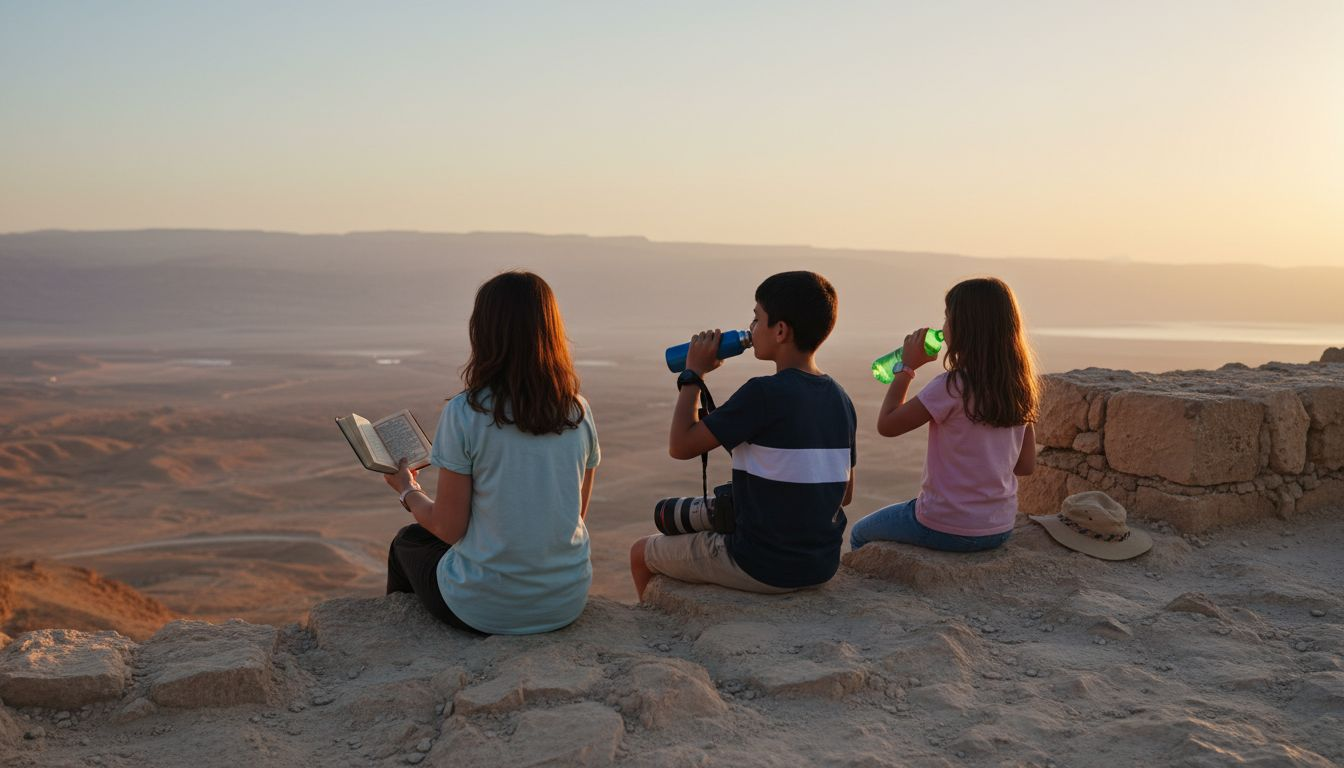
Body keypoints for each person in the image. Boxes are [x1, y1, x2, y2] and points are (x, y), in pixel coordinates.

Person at [381, 271, 600, 634]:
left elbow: (450, 530)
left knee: (408, 542)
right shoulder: (578, 410)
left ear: (483, 332)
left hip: (486, 608)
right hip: (565, 600)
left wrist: (407, 490)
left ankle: (396, 641)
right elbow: (572, 513)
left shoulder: (466, 412)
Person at [629, 271, 856, 600]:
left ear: (780, 331)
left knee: (641, 553)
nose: (750, 329)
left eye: (756, 318)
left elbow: (680, 445)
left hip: (760, 563)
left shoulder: (762, 393)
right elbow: (844, 494)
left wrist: (693, 373)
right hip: (821, 564)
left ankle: (647, 628)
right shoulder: (840, 398)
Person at [850, 277, 1038, 553]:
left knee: (860, 534)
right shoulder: (1019, 388)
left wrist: (906, 368)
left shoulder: (951, 386)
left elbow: (887, 425)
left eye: (947, 318)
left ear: (964, 329)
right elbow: (1025, 466)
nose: (943, 327)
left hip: (943, 525)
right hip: (998, 528)